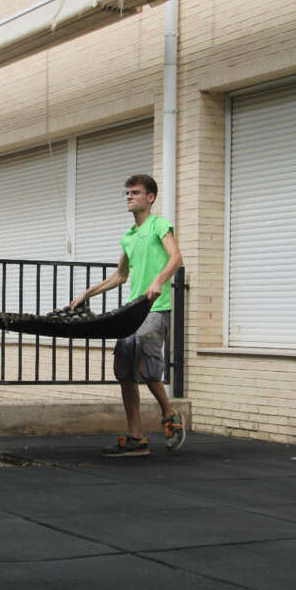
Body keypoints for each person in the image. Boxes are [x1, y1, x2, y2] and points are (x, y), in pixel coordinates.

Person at [70, 174, 185, 456]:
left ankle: (170, 416)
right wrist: (88, 293)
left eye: (135, 192)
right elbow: (120, 276)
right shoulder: (129, 236)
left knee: (147, 368)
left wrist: (159, 281)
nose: (129, 197)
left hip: (155, 308)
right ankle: (136, 438)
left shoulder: (159, 225)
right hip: (133, 311)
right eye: (127, 193)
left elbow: (176, 258)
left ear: (150, 197)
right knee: (124, 370)